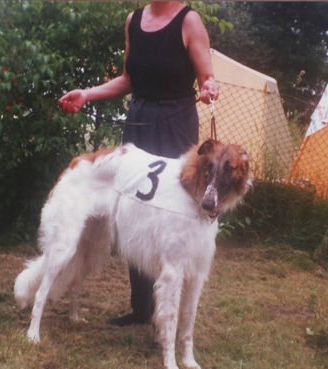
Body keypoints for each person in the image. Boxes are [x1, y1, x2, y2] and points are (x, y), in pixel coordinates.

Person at [58, 1, 219, 325]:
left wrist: (209, 86)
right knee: (134, 210)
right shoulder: (133, 21)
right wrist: (87, 94)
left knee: (174, 215)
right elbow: (128, 79)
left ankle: (168, 316)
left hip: (176, 125)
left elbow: (208, 77)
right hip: (140, 120)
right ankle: (141, 309)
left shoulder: (189, 21)